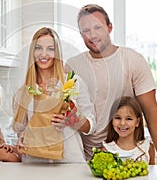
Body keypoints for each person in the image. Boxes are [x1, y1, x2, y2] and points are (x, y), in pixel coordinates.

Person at [65, 4, 157, 173]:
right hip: (82, 159)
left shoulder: (132, 60)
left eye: (98, 27)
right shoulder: (72, 66)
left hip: (126, 158)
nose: (92, 35)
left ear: (109, 27)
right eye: (86, 30)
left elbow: (150, 110)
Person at [12, 27, 96, 163]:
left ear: (57, 53)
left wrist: (72, 121)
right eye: (38, 48)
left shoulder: (73, 83)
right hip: (35, 165)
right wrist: (22, 136)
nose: (43, 54)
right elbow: (20, 129)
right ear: (32, 52)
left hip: (69, 163)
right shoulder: (22, 92)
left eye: (50, 49)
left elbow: (90, 127)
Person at [102, 96, 155, 165]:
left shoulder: (147, 148)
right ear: (112, 120)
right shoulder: (106, 150)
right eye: (118, 118)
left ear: (137, 122)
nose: (122, 123)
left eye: (128, 119)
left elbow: (152, 174)